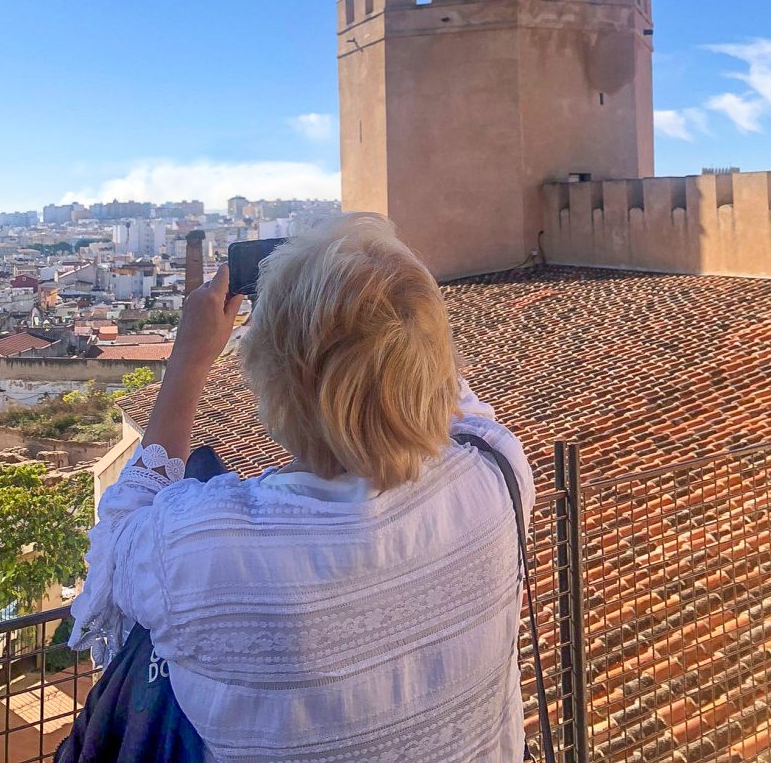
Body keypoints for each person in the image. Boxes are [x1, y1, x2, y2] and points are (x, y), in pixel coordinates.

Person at [69, 213, 535, 762]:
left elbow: (118, 534)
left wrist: (189, 363)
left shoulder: (210, 550)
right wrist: (383, 296)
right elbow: (437, 385)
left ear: (271, 377)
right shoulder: (496, 469)